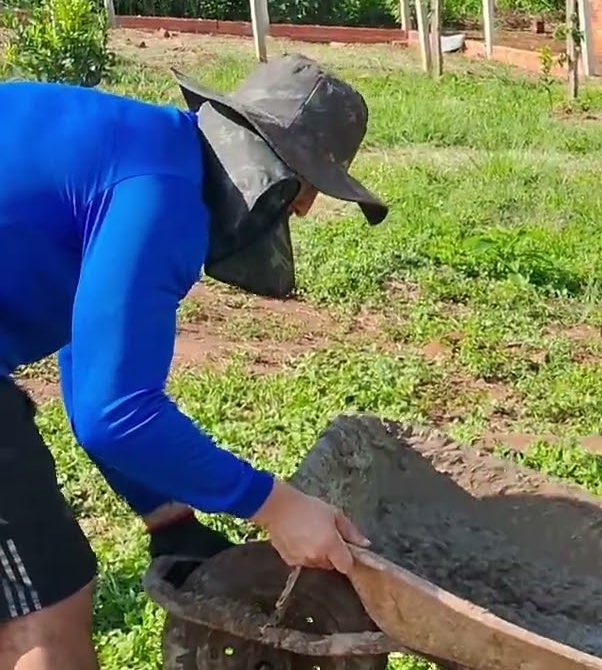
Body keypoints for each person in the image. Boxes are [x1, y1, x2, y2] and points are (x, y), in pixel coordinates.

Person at [0, 54, 389, 669]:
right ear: (273, 170)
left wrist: (169, 517)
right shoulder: (162, 198)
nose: (303, 211)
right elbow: (118, 416)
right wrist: (274, 504)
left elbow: (89, 363)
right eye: (307, 188)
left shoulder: (138, 149)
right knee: (45, 616)